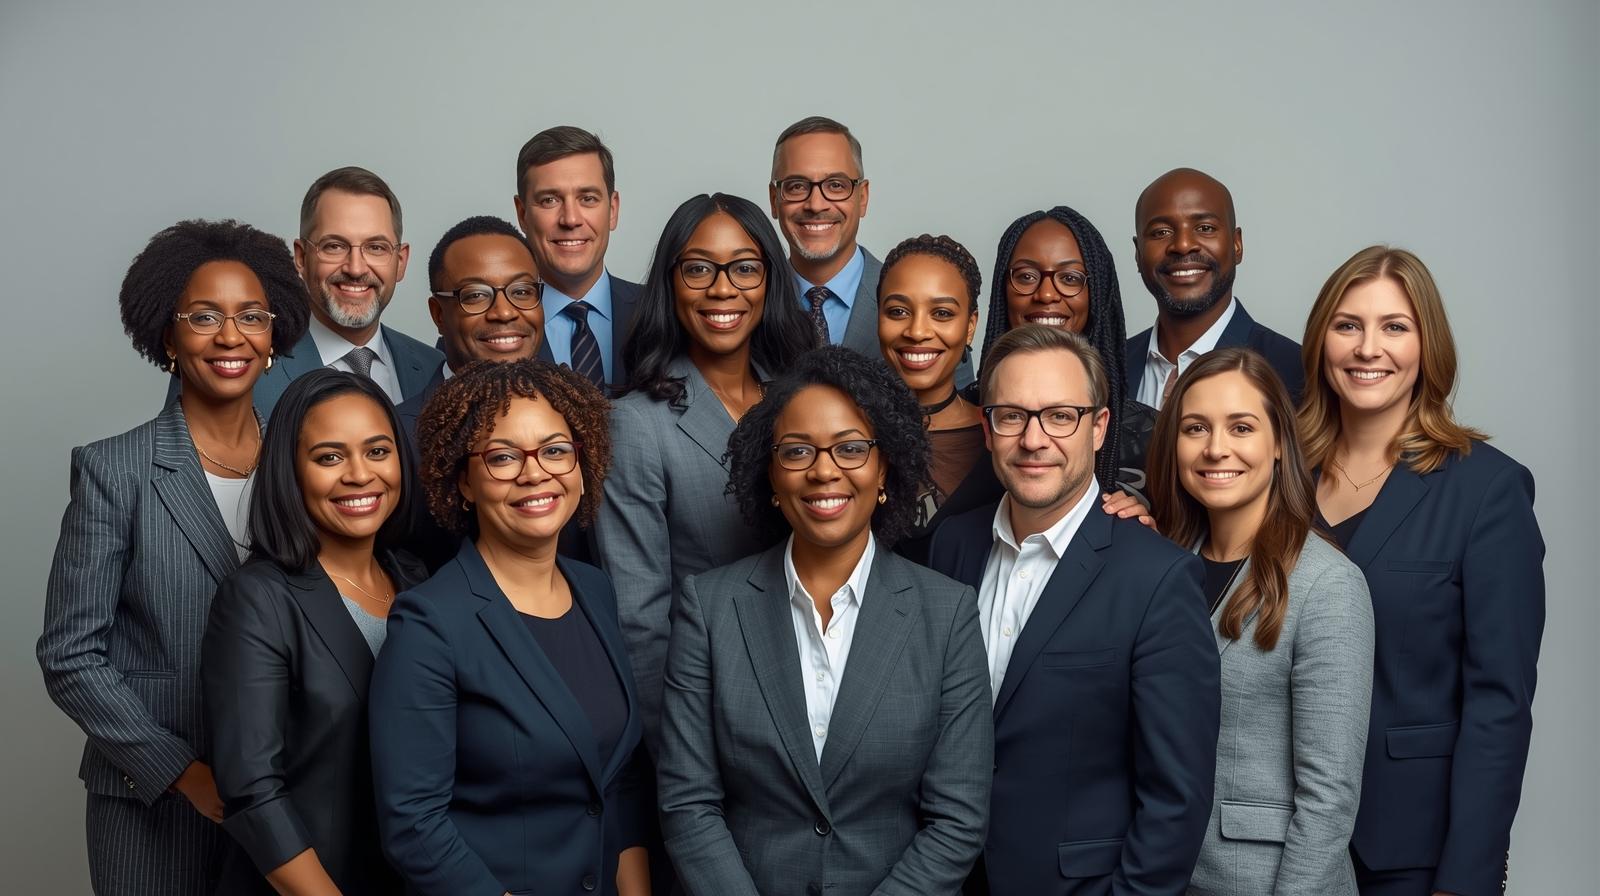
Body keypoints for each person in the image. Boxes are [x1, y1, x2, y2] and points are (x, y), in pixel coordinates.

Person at [657, 347, 992, 896]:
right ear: (770, 473)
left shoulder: (947, 612)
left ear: (885, 467)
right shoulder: (710, 607)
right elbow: (688, 803)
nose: (823, 471)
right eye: (797, 452)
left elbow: (957, 820)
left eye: (851, 448)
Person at [38, 219, 309, 895]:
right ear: (167, 335)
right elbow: (70, 655)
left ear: (274, 336)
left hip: (286, 793)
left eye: (251, 316)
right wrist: (182, 772)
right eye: (204, 316)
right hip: (153, 800)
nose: (230, 336)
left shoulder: (303, 465)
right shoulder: (114, 470)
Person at [928, 325, 1219, 896]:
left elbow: (1176, 800)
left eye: (1060, 415)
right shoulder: (951, 547)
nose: (1034, 440)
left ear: (1099, 428)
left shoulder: (1157, 578)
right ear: (987, 430)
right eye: (1011, 415)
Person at [1297, 246, 1544, 896]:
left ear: (1427, 344)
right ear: (1322, 339)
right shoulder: (1274, 477)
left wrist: (1467, 877)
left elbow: (1500, 704)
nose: (1367, 348)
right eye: (1348, 325)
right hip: (1277, 838)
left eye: (1394, 327)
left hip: (1410, 851)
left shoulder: (1487, 490)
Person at [370, 359, 649, 896]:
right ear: (463, 483)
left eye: (555, 449)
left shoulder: (595, 589)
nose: (535, 472)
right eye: (501, 458)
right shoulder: (428, 625)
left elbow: (618, 778)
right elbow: (413, 824)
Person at [1144, 348, 1374, 895]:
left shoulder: (1329, 585)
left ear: (1278, 445)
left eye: (1241, 427)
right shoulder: (1157, 568)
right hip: (1161, 874)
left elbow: (1329, 801)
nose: (1215, 448)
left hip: (1266, 882)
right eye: (1195, 427)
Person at [596, 192, 813, 749]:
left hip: (826, 698)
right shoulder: (635, 425)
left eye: (744, 267)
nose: (723, 289)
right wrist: (684, 761)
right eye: (698, 269)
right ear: (670, 282)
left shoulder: (802, 402)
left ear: (770, 279)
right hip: (715, 721)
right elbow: (640, 624)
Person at [202, 369, 425, 895]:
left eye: (377, 451)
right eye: (329, 457)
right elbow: (253, 792)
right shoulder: (258, 598)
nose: (359, 475)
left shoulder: (418, 580)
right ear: (291, 472)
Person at [767, 116, 975, 388]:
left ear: (862, 197)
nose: (816, 204)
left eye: (836, 185)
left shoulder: (928, 306)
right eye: (796, 186)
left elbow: (956, 417)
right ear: (774, 200)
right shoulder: (750, 305)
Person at [397, 215, 547, 571]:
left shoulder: (573, 421)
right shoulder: (399, 438)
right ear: (438, 314)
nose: (505, 312)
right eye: (476, 296)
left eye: (522, 291)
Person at [981, 205, 1159, 497]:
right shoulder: (968, 417)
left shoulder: (1149, 435)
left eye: (1070, 278)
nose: (1047, 294)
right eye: (1026, 276)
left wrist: (1141, 524)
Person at [249, 166, 441, 413]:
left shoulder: (433, 369)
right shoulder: (254, 374)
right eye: (335, 246)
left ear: (400, 262)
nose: (356, 268)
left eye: (376, 247)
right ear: (301, 257)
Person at [1126, 168, 1301, 410]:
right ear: (1138, 253)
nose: (1183, 245)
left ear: (1237, 244)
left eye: (1205, 228)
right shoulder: (1108, 365)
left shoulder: (1295, 372)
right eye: (1161, 232)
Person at [873, 233, 992, 565]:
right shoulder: (847, 435)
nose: (917, 331)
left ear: (970, 326)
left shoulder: (1006, 434)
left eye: (941, 313)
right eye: (898, 311)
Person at [514, 125, 643, 392]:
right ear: (522, 213)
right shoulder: (487, 326)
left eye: (588, 198)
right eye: (549, 200)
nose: (570, 219)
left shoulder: (660, 313)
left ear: (613, 209)